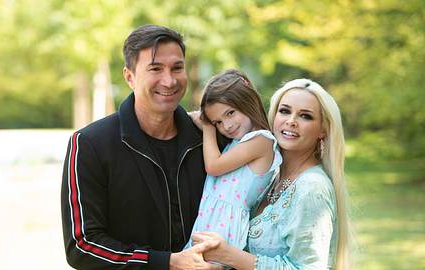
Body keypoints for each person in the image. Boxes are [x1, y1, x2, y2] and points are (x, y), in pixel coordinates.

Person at [61, 24, 219, 270]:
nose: (169, 80)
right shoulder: (90, 144)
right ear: (129, 77)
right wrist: (166, 262)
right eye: (155, 69)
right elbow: (82, 245)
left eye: (177, 68)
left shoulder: (208, 140)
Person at [192, 79, 351, 269]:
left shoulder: (312, 188)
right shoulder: (271, 176)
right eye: (284, 111)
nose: (291, 121)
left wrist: (229, 255)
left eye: (305, 116)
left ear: (323, 129)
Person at [184, 69, 282, 251]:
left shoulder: (261, 140)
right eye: (217, 122)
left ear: (247, 101)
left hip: (225, 227)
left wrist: (208, 127)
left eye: (230, 113)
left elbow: (213, 166)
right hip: (210, 221)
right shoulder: (238, 142)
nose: (226, 126)